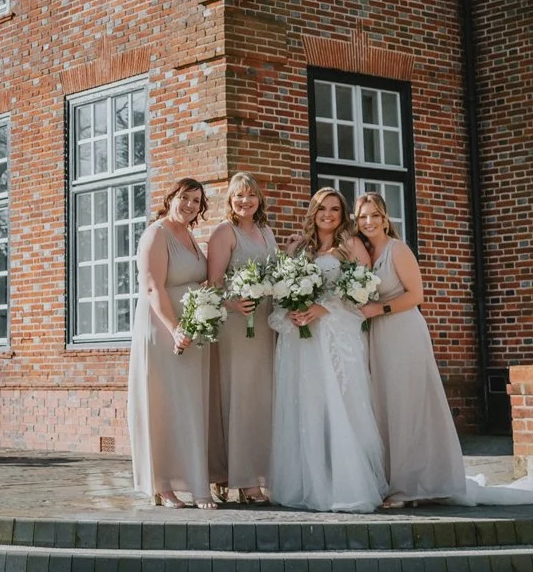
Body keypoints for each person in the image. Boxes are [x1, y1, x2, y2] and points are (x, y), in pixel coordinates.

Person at [351, 191, 533, 508]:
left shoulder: (397, 250)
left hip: (403, 333)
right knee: (386, 407)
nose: (369, 221)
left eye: (374, 214)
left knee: (408, 407)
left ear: (385, 217)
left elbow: (416, 296)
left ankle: (409, 486)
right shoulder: (367, 254)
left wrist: (378, 310)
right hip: (378, 338)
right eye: (363, 217)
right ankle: (395, 479)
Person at [266, 187, 387, 513]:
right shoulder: (300, 247)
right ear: (313, 212)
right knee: (307, 405)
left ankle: (344, 484)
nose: (328, 214)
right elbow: (281, 288)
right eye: (322, 208)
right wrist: (292, 306)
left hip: (335, 336)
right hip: (301, 341)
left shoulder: (352, 246)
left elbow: (362, 294)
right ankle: (307, 483)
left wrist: (324, 309)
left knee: (339, 404)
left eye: (335, 209)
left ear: (342, 214)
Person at [128, 176, 216, 509]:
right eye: (184, 198)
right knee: (163, 406)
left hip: (192, 330)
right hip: (162, 328)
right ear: (170, 198)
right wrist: (175, 328)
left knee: (189, 407)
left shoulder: (191, 236)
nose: (190, 205)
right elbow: (153, 288)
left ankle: (194, 480)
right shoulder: (157, 233)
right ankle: (163, 486)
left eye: (196, 201)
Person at [206, 172, 278, 503]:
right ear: (230, 201)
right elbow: (213, 283)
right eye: (238, 196)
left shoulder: (266, 232)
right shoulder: (224, 232)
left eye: (250, 195)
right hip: (237, 323)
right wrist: (234, 303)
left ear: (259, 199)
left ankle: (245, 472)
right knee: (237, 396)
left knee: (260, 398)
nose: (245, 201)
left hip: (263, 323)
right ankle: (242, 480)